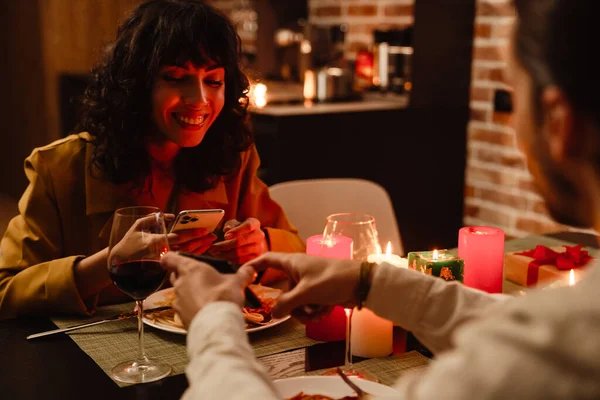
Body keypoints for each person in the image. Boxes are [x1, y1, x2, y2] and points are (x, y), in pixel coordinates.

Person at [160, 0, 600, 398]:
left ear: (560, 124)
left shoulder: (544, 353)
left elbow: (535, 341)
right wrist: (367, 284)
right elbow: (520, 326)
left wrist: (213, 323)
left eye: (512, 94)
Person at [0, 0, 304, 321]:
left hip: (205, 347)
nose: (198, 100)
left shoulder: (232, 156)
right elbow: (6, 291)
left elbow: (297, 246)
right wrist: (109, 263)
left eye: (213, 81)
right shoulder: (60, 167)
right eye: (176, 77)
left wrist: (262, 244)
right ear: (137, 85)